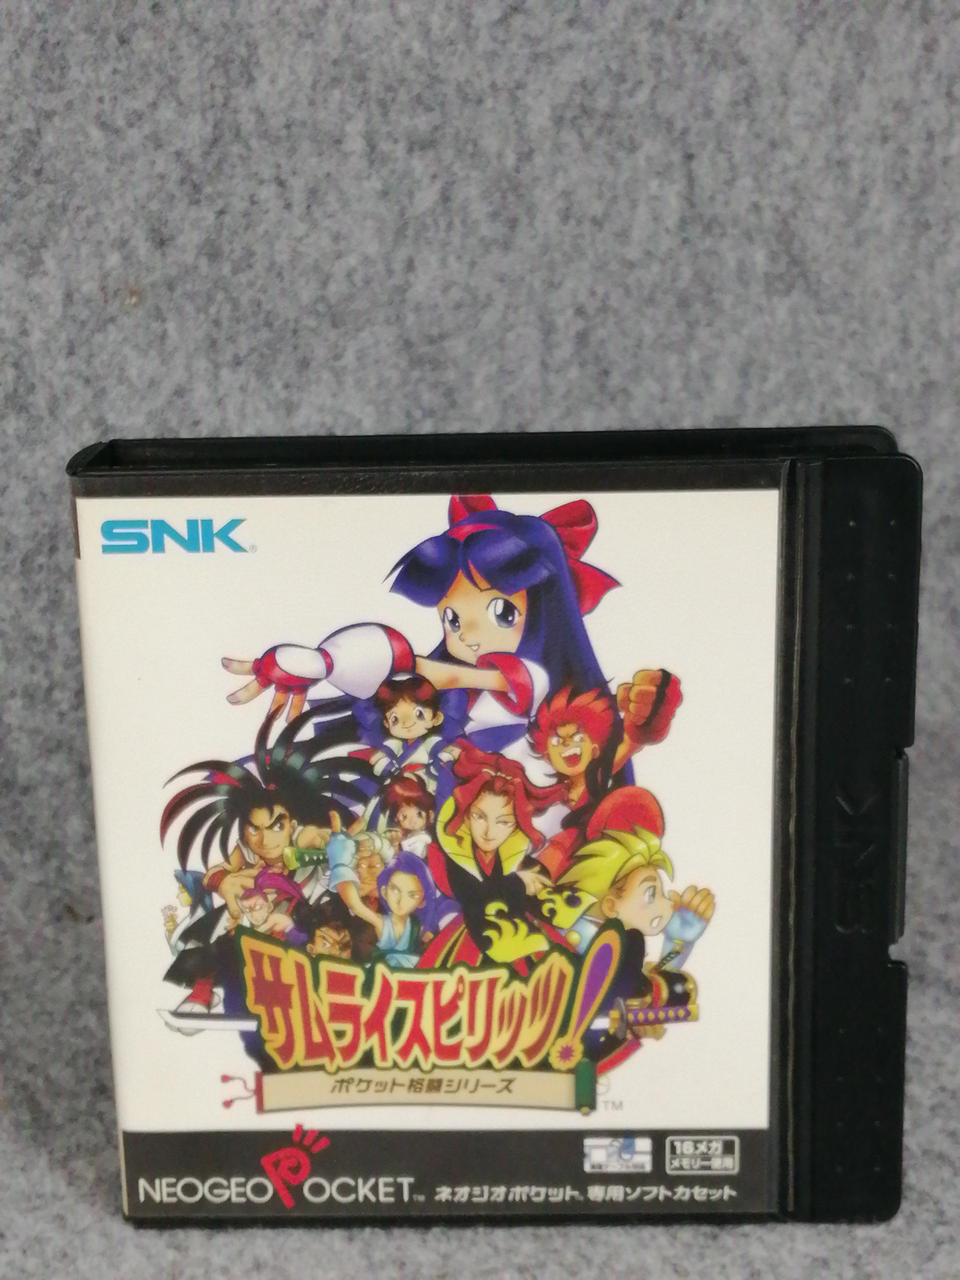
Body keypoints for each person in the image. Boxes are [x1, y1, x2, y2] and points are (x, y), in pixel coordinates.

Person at [421, 743, 566, 969]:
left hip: (520, 937)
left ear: (516, 825)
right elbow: (473, 896)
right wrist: (519, 882)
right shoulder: (455, 856)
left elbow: (537, 885)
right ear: (466, 815)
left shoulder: (513, 855)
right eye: (479, 817)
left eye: (503, 822)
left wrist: (535, 884)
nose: (489, 832)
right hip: (476, 940)